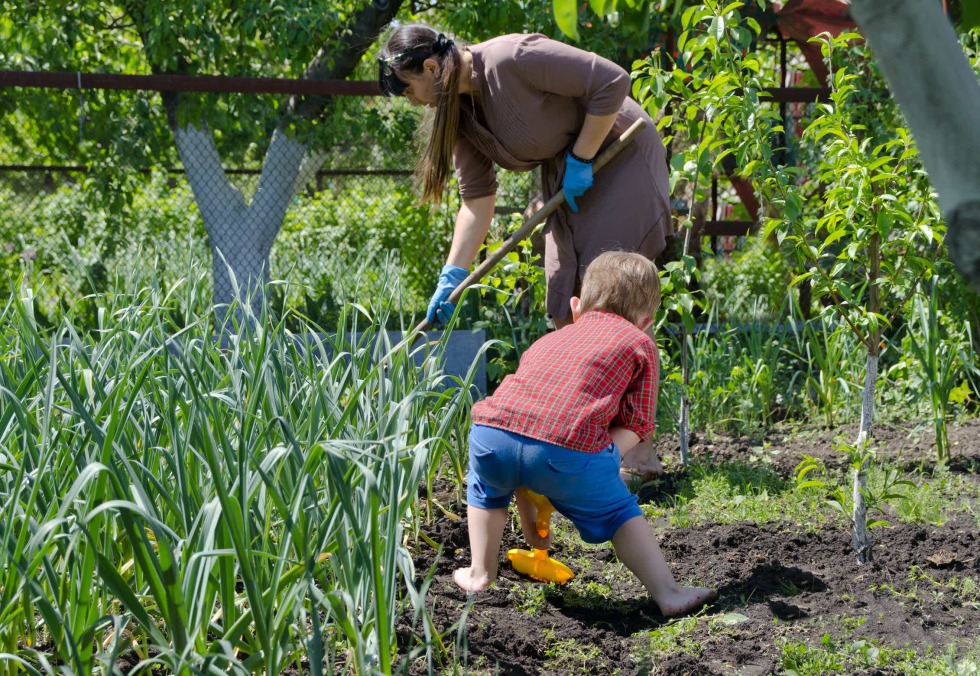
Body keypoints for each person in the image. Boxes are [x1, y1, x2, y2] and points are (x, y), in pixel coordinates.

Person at [449, 251, 715, 617]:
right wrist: (605, 456)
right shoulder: (639, 343)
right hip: (565, 454)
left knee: (485, 488)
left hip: (491, 436)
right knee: (619, 511)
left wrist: (528, 514)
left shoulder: (548, 341)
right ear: (646, 322)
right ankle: (669, 593)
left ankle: (480, 574)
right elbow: (638, 423)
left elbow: (524, 432)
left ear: (576, 307)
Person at [377, 24, 674, 332]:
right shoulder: (460, 111)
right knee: (566, 301)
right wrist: (452, 276)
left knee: (612, 298)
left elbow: (612, 81)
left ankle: (639, 364)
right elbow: (476, 201)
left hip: (620, 153)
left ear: (430, 67)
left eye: (408, 90)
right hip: (569, 174)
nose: (413, 102)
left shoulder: (511, 57)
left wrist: (582, 158)